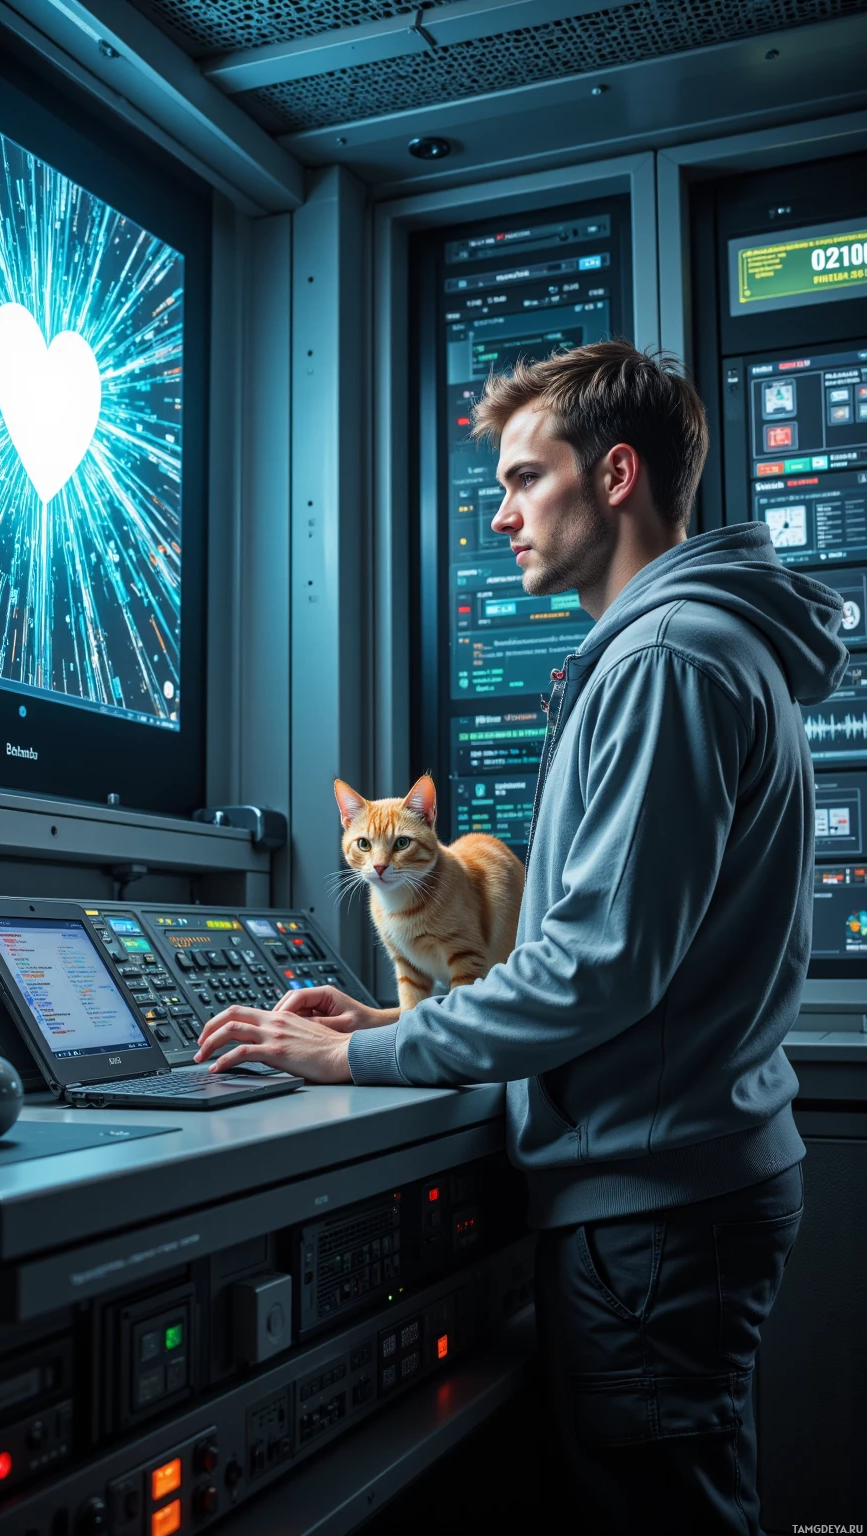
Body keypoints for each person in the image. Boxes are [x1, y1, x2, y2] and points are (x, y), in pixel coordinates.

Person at [194, 340, 846, 1533]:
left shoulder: (665, 661)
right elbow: (624, 949)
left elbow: (596, 968)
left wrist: (360, 1058)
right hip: (680, 1184)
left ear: (613, 476)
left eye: (521, 479)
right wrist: (406, 1015)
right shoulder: (697, 648)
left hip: (651, 1204)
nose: (498, 516)